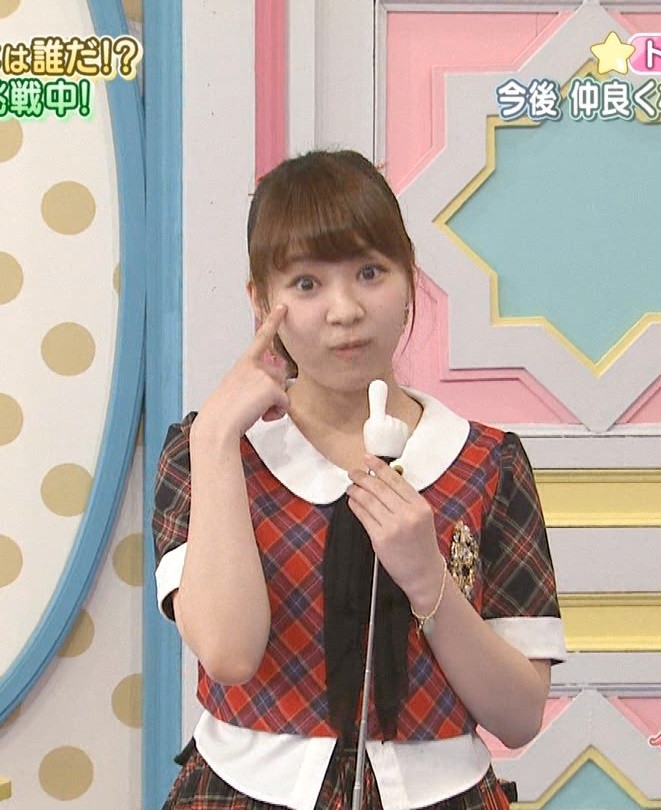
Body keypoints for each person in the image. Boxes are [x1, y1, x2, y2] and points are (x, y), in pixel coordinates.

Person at [152, 149, 566, 810]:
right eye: (306, 284)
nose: (344, 310)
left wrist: (428, 581)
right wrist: (216, 439)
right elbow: (229, 656)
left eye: (370, 272)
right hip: (240, 792)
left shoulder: (486, 462)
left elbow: (518, 717)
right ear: (261, 301)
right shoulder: (208, 450)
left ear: (408, 278)